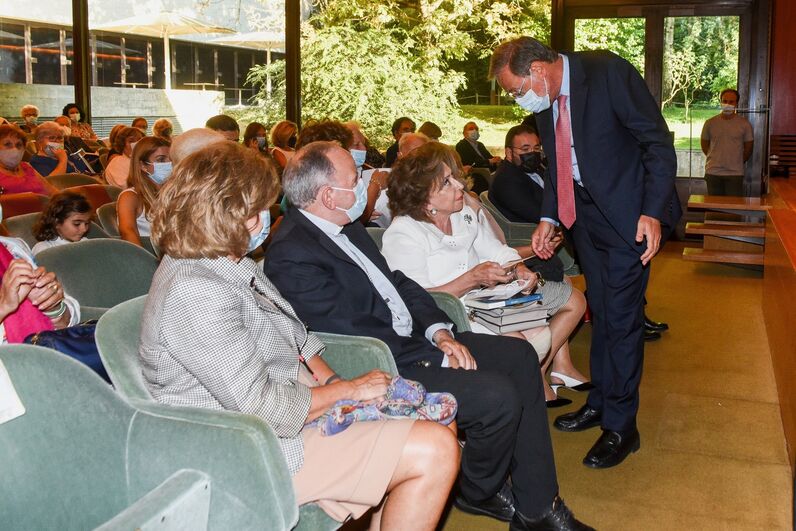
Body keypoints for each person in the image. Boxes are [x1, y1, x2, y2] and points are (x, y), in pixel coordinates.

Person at [264, 141, 592, 531]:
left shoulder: (345, 227)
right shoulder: (292, 252)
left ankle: (538, 508)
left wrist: (439, 332)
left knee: (519, 359)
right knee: (497, 397)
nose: (366, 185)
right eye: (355, 180)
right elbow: (348, 332)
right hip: (384, 363)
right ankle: (475, 487)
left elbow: (399, 284)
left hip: (418, 341)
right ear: (328, 195)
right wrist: (434, 355)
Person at [140, 141, 458, 529]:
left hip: (285, 409)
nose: (268, 218)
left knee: (435, 419)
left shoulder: (230, 262)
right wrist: (350, 391)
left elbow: (297, 337)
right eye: (259, 210)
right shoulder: (196, 289)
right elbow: (262, 410)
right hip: (239, 447)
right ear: (226, 212)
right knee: (434, 448)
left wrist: (335, 381)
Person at [490, 36, 681, 470]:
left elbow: (657, 143)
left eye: (517, 89)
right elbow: (558, 166)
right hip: (586, 218)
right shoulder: (545, 103)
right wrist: (549, 219)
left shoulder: (607, 72)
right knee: (601, 309)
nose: (519, 100)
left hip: (631, 215)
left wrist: (651, 211)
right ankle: (600, 400)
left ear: (539, 69)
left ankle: (621, 426)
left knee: (622, 317)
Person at [382, 142, 590, 407]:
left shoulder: (463, 216)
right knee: (523, 349)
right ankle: (513, 403)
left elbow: (498, 250)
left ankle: (519, 397)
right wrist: (472, 278)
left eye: (454, 178)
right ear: (424, 197)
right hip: (443, 321)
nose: (459, 186)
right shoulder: (404, 233)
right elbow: (415, 299)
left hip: (483, 304)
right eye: (447, 182)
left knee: (541, 333)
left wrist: (519, 268)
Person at [0, 202, 81, 342]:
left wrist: (53, 307)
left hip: (48, 354)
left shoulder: (13, 247)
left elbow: (70, 319)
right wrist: (3, 306)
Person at [117, 136, 170, 248]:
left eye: (171, 159)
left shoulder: (174, 193)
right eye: (161, 160)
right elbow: (128, 232)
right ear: (142, 165)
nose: (169, 164)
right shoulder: (130, 196)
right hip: (147, 257)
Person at [700, 88, 754, 196]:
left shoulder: (744, 124)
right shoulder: (710, 123)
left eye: (731, 102)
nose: (727, 104)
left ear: (736, 104)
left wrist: (736, 161)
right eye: (725, 101)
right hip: (713, 173)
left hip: (735, 174)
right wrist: (716, 158)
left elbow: (748, 149)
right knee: (714, 209)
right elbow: (704, 145)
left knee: (733, 210)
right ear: (720, 102)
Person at [0, 124, 58, 196]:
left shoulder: (26, 167)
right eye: (7, 144)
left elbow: (53, 192)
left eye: (19, 145)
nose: (14, 149)